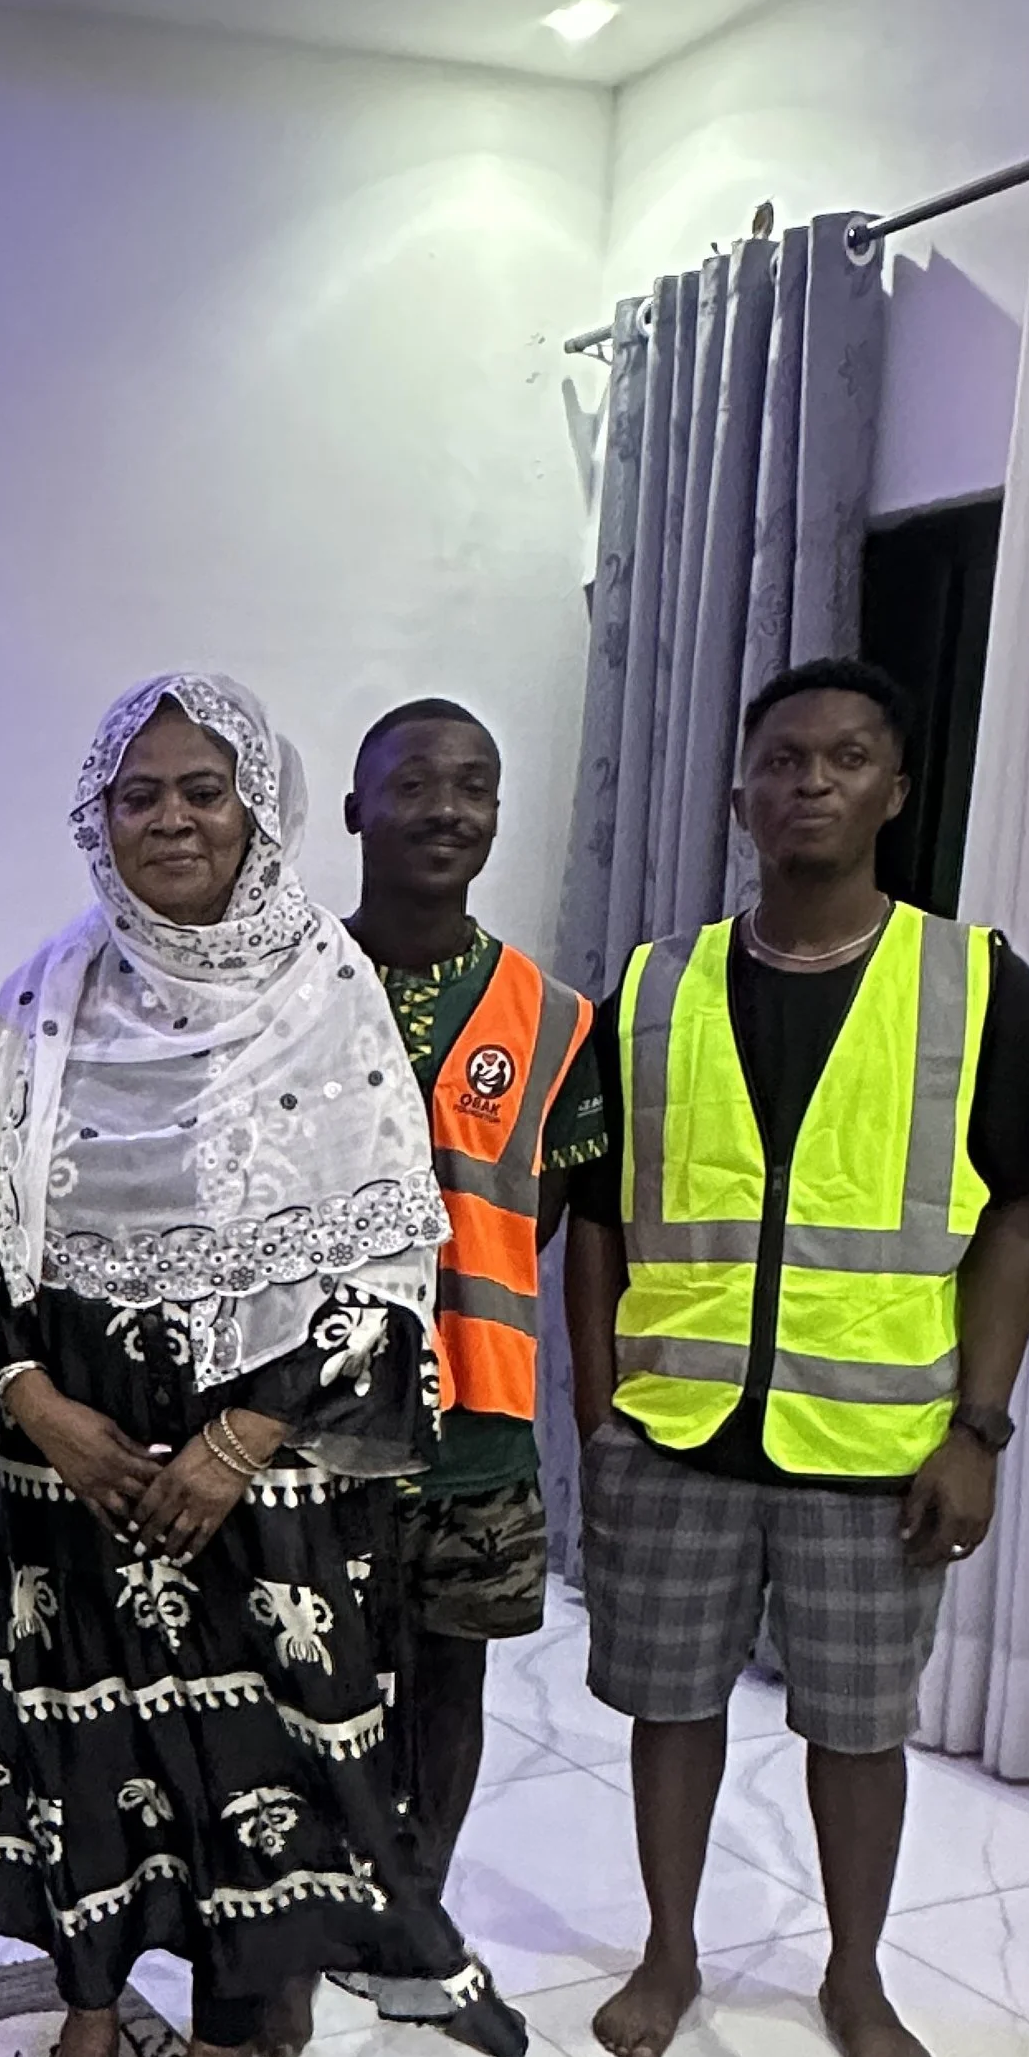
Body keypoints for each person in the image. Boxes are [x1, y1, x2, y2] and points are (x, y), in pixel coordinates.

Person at [0, 671, 527, 2057]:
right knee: (87, 1739)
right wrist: (37, 1407)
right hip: (68, 1466)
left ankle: (215, 2045)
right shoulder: (44, 995)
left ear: (255, 807)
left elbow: (390, 1257)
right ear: (98, 818)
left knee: (236, 1752)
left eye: (205, 790)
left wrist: (245, 1435)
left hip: (259, 1475)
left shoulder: (326, 997)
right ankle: (82, 2017)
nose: (173, 819)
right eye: (141, 795)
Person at [566, 657, 1029, 2057]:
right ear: (740, 794)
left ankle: (855, 1972)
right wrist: (600, 1406)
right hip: (678, 1429)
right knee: (670, 1709)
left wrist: (978, 1427)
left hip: (878, 1436)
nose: (811, 784)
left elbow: (1021, 1211)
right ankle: (668, 1949)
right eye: (783, 761)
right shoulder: (655, 987)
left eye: (847, 759)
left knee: (860, 1728)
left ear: (895, 791)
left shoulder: (976, 983)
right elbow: (595, 1213)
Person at [342, 698, 603, 1952]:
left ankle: (413, 1914)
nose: (446, 809)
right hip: (306, 1421)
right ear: (355, 813)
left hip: (477, 1419)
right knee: (310, 1683)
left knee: (449, 1678)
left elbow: (548, 1208)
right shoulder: (295, 992)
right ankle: (300, 1932)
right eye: (413, 784)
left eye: (475, 787)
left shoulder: (554, 1020)